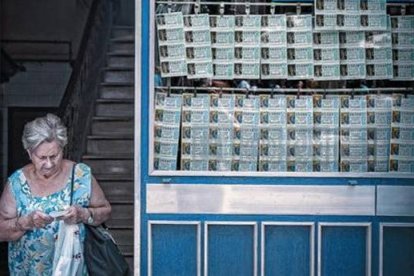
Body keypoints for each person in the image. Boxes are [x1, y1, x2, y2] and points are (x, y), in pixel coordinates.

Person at [0, 113, 111, 275]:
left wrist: (84, 214)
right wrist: (26, 222)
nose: (49, 164)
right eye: (42, 157)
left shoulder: (80, 175)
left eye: (54, 156)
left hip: (74, 270)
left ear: (62, 148)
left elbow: (105, 211)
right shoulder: (16, 183)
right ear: (30, 153)